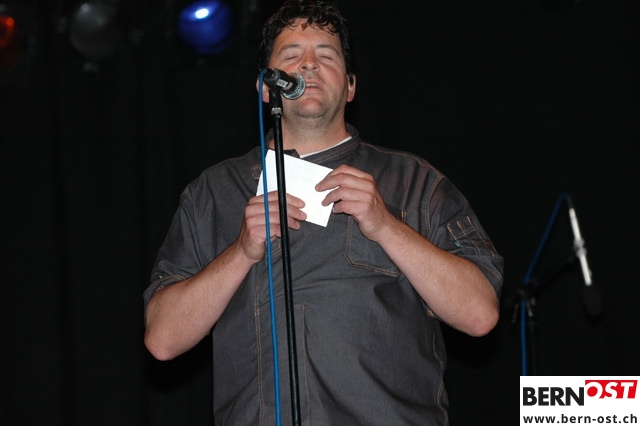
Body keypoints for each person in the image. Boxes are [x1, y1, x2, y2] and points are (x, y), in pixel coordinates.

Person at [143, 0, 504, 424]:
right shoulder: (213, 192)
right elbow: (162, 340)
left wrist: (386, 226)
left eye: (326, 55)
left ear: (350, 87)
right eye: (292, 55)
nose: (309, 64)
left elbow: (480, 314)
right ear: (265, 87)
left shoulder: (414, 181)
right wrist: (240, 252)